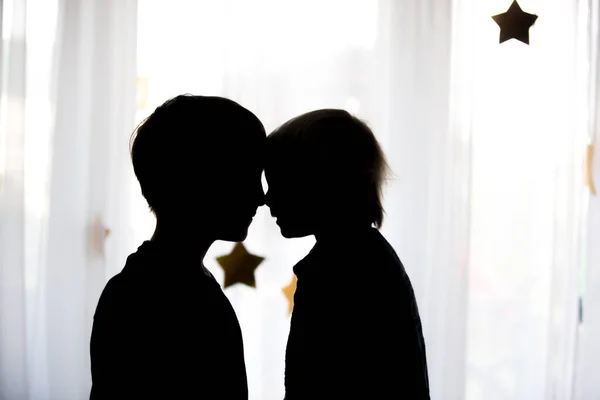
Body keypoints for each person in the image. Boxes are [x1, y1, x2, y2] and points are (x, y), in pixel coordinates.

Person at [89, 94, 266, 399]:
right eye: (247, 176)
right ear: (202, 181)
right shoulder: (151, 296)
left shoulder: (167, 283)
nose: (261, 196)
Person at [264, 109, 430, 399]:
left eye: (278, 182)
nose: (266, 198)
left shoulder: (337, 273)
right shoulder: (369, 258)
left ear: (320, 184)